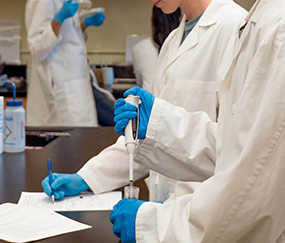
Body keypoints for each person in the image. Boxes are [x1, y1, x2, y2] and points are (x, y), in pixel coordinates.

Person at [110, 0, 285, 242]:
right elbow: (229, 143)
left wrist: (154, 224)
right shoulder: (256, 21)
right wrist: (158, 126)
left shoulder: (276, 27)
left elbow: (254, 187)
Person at [41, 0, 246, 205]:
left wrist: (175, 213)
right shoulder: (174, 40)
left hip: (202, 214)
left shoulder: (236, 28)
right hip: (167, 213)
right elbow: (148, 136)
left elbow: (237, 150)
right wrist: (87, 178)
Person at [25, 0, 113, 126]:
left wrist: (84, 25)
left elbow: (69, 38)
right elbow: (37, 48)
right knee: (73, 139)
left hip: (78, 81)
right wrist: (59, 19)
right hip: (61, 83)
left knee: (86, 135)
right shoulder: (42, 2)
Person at [132, 6, 181, 92]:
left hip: (148, 102)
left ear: (152, 21)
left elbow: (140, 81)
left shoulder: (140, 48)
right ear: (180, 20)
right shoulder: (183, 45)